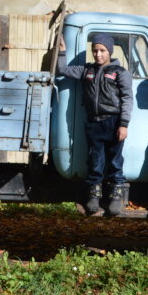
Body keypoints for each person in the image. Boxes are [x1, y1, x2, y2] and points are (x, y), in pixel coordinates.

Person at [57, 33, 133, 216]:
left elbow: (127, 99)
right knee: (95, 160)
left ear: (110, 51)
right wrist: (61, 52)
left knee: (115, 160)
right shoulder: (87, 70)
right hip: (94, 122)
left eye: (102, 50)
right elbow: (63, 70)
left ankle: (116, 197)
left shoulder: (120, 72)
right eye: (95, 50)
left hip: (114, 122)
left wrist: (123, 124)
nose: (98, 54)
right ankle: (94, 195)